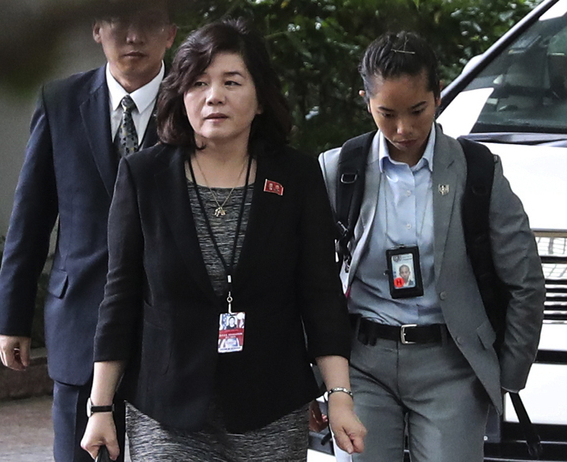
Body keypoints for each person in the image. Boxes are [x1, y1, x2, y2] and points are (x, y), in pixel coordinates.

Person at [80, 18, 366, 462]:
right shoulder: (145, 177)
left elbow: (320, 294)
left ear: (260, 99)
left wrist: (340, 396)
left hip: (268, 404)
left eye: (231, 82)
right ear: (181, 95)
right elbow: (119, 297)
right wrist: (100, 406)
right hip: (166, 408)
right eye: (198, 83)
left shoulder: (295, 176)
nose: (214, 96)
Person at [318, 31, 544, 461]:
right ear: (365, 101)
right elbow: (309, 280)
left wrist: (507, 373)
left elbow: (526, 280)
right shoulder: (338, 170)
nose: (403, 129)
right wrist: (317, 378)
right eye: (386, 113)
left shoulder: (477, 171)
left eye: (417, 110)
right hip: (362, 362)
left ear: (438, 96)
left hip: (452, 365)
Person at [0, 2, 177, 461]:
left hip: (172, 326)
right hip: (81, 321)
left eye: (148, 24)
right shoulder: (61, 102)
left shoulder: (195, 103)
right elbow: (31, 216)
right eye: (118, 22)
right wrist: (11, 317)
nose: (133, 36)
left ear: (170, 33)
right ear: (96, 28)